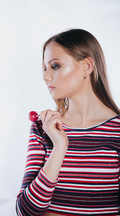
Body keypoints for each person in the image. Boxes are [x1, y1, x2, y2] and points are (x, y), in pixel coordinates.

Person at [16, 29, 120, 216]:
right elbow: (25, 211)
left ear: (86, 66)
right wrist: (59, 146)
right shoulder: (43, 127)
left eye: (55, 66)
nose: (46, 76)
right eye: (45, 68)